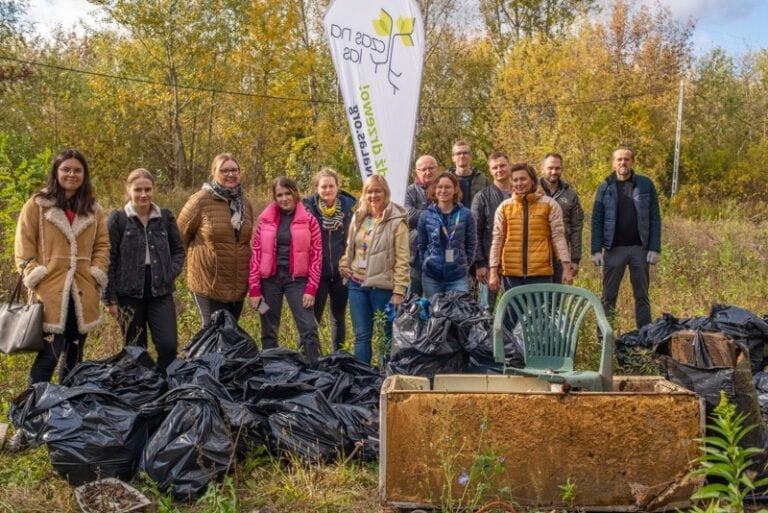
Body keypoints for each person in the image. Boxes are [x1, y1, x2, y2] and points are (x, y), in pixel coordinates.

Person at [14, 149, 110, 384]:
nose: (71, 174)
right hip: (49, 291)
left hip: (82, 290)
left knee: (74, 355)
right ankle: (34, 403)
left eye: (77, 170)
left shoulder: (94, 209)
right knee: (50, 354)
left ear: (84, 175)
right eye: (66, 169)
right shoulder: (37, 205)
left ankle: (67, 402)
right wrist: (34, 273)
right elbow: (24, 245)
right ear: (56, 171)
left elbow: (102, 244)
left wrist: (96, 271)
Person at [104, 168, 185, 370]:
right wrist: (109, 299)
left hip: (161, 292)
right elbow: (108, 260)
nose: (143, 194)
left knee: (168, 345)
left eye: (148, 189)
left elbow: (179, 250)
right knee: (135, 350)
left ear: (153, 190)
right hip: (128, 294)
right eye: (138, 190)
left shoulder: (164, 217)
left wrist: (169, 272)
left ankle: (164, 381)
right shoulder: (118, 219)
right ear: (128, 190)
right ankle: (144, 385)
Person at [489, 163, 572, 325]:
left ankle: (541, 342)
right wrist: (493, 271)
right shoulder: (505, 207)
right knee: (509, 321)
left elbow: (558, 238)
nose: (519, 183)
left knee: (541, 320)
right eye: (515, 180)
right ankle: (506, 343)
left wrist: (566, 268)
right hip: (511, 274)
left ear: (532, 180)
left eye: (523, 179)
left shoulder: (549, 205)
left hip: (540, 273)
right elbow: (497, 240)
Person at [249, 177, 322, 362]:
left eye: (288, 193)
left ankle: (315, 368)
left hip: (297, 281)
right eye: (279, 195)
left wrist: (311, 288)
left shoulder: (310, 221)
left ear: (295, 193)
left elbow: (316, 255)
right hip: (269, 281)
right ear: (275, 197)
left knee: (308, 328)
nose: (284, 198)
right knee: (269, 329)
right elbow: (256, 254)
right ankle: (271, 368)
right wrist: (254, 289)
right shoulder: (264, 221)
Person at [177, 153, 254, 328]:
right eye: (224, 170)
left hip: (236, 288)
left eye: (234, 170)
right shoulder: (200, 200)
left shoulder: (245, 203)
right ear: (214, 172)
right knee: (212, 334)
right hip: (207, 285)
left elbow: (244, 242)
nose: (230, 174)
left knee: (230, 335)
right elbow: (179, 238)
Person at [339, 174, 409, 364]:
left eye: (378, 191)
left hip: (383, 288)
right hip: (357, 285)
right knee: (362, 336)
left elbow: (403, 260)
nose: (373, 195)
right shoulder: (359, 217)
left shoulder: (397, 220)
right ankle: (363, 375)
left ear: (386, 193)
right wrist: (344, 264)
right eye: (369, 191)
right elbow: (350, 248)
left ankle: (386, 375)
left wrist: (399, 291)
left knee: (385, 336)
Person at [591, 147, 661, 329]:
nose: (623, 162)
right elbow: (597, 220)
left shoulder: (645, 185)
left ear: (632, 162)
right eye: (619, 159)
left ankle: (645, 335)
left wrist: (654, 248)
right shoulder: (605, 186)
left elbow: (655, 218)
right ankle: (604, 337)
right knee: (608, 296)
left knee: (642, 296)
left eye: (627, 159)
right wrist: (596, 250)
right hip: (613, 250)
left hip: (640, 249)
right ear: (613, 163)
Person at [303, 168, 356, 352]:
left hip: (340, 273)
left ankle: (338, 356)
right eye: (323, 187)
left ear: (337, 187)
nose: (328, 190)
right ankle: (308, 357)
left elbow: (352, 241)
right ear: (317, 188)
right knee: (312, 319)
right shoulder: (308, 211)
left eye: (331, 186)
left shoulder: (347, 212)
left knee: (338, 318)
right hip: (317, 275)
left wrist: (348, 264)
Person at [417, 172, 477, 297]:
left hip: (457, 277)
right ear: (434, 189)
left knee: (459, 309)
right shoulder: (426, 215)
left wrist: (466, 264)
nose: (443, 190)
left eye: (448, 187)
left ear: (455, 189)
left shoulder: (466, 214)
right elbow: (422, 244)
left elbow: (471, 243)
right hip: (432, 276)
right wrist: (426, 262)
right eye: (440, 187)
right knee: (434, 309)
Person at [472, 151, 512, 312]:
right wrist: (480, 263)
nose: (499, 170)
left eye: (502, 166)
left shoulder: (521, 193)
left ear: (509, 166)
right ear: (490, 170)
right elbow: (475, 231)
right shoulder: (482, 197)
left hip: (515, 263)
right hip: (489, 263)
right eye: (495, 167)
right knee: (486, 308)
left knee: (514, 308)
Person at [539, 153, 585, 285]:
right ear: (542, 168)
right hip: (537, 255)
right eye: (550, 168)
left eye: (557, 168)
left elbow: (576, 228)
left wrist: (575, 260)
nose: (554, 172)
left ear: (562, 169)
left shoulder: (571, 195)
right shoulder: (533, 191)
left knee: (557, 294)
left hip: (560, 255)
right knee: (537, 294)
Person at [404, 155, 437, 296]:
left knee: (437, 299)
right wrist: (436, 215)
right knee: (413, 297)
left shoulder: (445, 188)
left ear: (437, 169)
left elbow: (451, 213)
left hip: (439, 252)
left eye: (431, 168)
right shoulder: (409, 191)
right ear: (417, 171)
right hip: (415, 252)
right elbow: (409, 215)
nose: (427, 172)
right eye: (423, 169)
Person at [448, 140, 490, 211]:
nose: (462, 156)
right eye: (458, 153)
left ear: (471, 156)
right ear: (453, 158)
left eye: (465, 153)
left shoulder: (483, 180)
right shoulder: (446, 180)